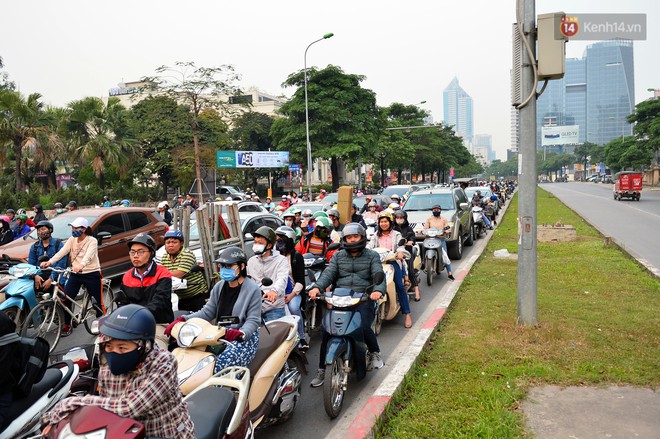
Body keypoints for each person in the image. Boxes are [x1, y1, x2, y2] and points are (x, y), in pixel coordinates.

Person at [42, 305, 195, 439]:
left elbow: (128, 407)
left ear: (143, 346)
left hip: (163, 433)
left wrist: (69, 403)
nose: (114, 353)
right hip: (124, 431)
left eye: (122, 348)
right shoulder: (106, 358)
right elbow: (105, 403)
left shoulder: (163, 364)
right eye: (109, 347)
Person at [308, 223, 386, 387]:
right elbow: (328, 274)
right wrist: (317, 287)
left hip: (363, 298)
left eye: (355, 237)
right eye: (349, 237)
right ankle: (322, 369)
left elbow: (379, 274)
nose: (352, 240)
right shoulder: (338, 256)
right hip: (340, 298)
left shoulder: (372, 256)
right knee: (326, 331)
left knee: (364, 326)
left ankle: (374, 352)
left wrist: (377, 290)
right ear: (344, 239)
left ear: (362, 237)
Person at [165, 247, 261, 374]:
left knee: (218, 368)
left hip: (243, 338)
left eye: (229, 265)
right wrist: (184, 319)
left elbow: (253, 320)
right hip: (218, 334)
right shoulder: (219, 286)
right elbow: (207, 312)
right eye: (222, 266)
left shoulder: (252, 289)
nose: (224, 269)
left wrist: (241, 333)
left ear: (242, 266)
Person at [41, 217, 104, 336]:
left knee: (97, 303)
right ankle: (67, 324)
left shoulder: (92, 241)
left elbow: (89, 256)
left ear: (84, 229)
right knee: (66, 298)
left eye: (76, 228)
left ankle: (102, 325)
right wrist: (49, 262)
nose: (74, 230)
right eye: (73, 228)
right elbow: (62, 252)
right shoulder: (72, 239)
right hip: (76, 274)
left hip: (91, 273)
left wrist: (81, 265)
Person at [367, 211, 412, 328]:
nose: (383, 224)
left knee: (400, 286)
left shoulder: (396, 234)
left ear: (390, 222)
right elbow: (369, 247)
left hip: (392, 262)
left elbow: (400, 246)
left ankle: (407, 314)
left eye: (385, 221)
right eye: (381, 221)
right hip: (377, 263)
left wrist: (400, 252)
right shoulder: (375, 235)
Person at [117, 234, 174, 326]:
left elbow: (159, 302)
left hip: (159, 323)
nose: (135, 256)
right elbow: (123, 303)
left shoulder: (162, 273)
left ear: (151, 253)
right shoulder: (127, 276)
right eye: (132, 252)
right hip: (133, 323)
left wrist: (138, 315)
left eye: (140, 252)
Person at [246, 226, 289, 322]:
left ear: (269, 245)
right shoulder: (251, 261)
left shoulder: (281, 260)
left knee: (274, 335)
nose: (256, 245)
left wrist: (274, 291)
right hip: (255, 307)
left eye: (260, 243)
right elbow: (248, 281)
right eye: (255, 242)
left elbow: (282, 279)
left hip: (274, 307)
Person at [159, 230, 208, 312]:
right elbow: (160, 274)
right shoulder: (165, 257)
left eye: (174, 242)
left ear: (181, 244)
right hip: (181, 296)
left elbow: (178, 274)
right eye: (168, 242)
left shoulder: (187, 254)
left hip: (196, 295)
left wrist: (163, 274)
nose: (171, 245)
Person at [275, 226, 307, 349]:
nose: (278, 243)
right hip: (277, 291)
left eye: (280, 239)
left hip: (293, 291)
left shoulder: (296, 257)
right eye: (276, 240)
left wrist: (291, 295)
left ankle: (302, 337)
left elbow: (300, 281)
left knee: (293, 307)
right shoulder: (274, 256)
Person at [28, 220, 66, 295]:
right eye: (38, 230)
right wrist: (36, 276)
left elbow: (61, 264)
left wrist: (51, 278)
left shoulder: (58, 244)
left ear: (50, 230)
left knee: (60, 300)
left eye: (43, 229)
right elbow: (31, 264)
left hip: (56, 275)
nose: (40, 232)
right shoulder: (34, 246)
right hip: (40, 275)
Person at [393, 210, 421, 302]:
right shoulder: (392, 228)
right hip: (394, 253)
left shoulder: (408, 228)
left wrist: (410, 241)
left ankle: (416, 291)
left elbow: (412, 237)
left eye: (401, 218)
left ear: (405, 219)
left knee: (410, 270)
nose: (399, 220)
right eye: (397, 218)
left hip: (407, 252)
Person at [422, 205, 455, 280]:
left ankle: (449, 273)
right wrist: (422, 231)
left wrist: (447, 231)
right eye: (434, 210)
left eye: (437, 210)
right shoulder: (429, 219)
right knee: (423, 248)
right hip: (430, 239)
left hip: (440, 239)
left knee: (445, 255)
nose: (436, 211)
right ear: (432, 211)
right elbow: (425, 228)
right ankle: (423, 263)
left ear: (440, 210)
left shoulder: (444, 219)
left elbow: (447, 227)